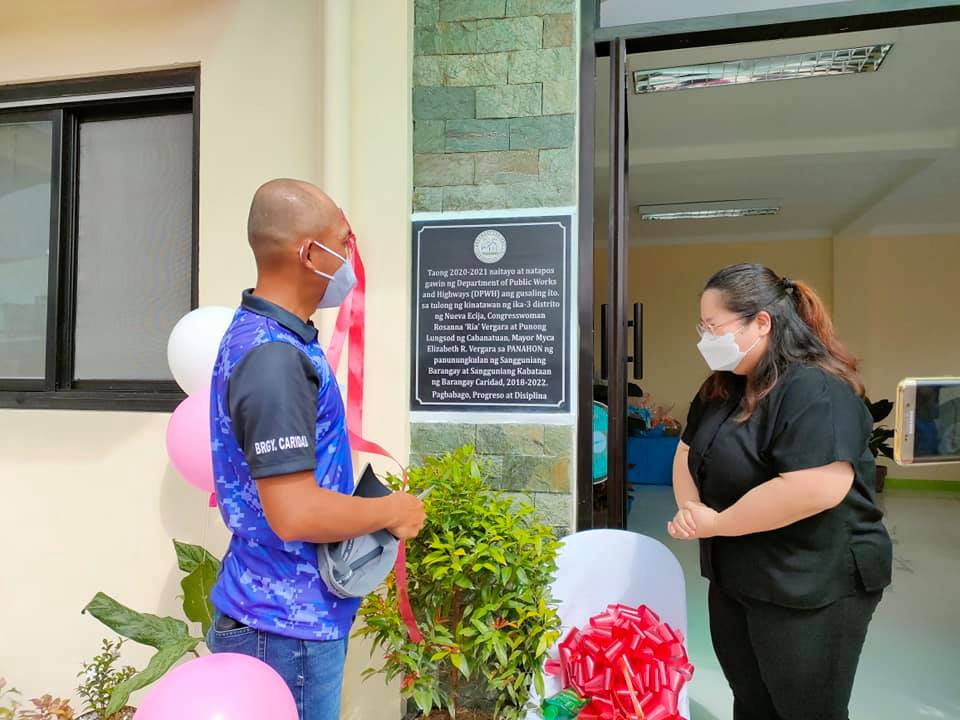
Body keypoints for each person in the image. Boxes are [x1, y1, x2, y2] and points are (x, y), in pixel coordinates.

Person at [206, 179, 425, 720]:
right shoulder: (274, 359)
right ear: (310, 253)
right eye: (344, 243)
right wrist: (392, 510)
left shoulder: (272, 339)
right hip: (284, 629)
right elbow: (295, 511)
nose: (351, 258)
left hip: (284, 620)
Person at [667, 263, 892, 720]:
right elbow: (687, 450)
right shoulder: (722, 388)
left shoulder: (816, 388)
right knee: (751, 700)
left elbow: (816, 487)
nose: (705, 338)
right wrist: (691, 509)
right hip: (737, 575)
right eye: (702, 327)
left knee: (805, 708)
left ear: (762, 323)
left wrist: (718, 523)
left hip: (809, 582)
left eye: (714, 327)